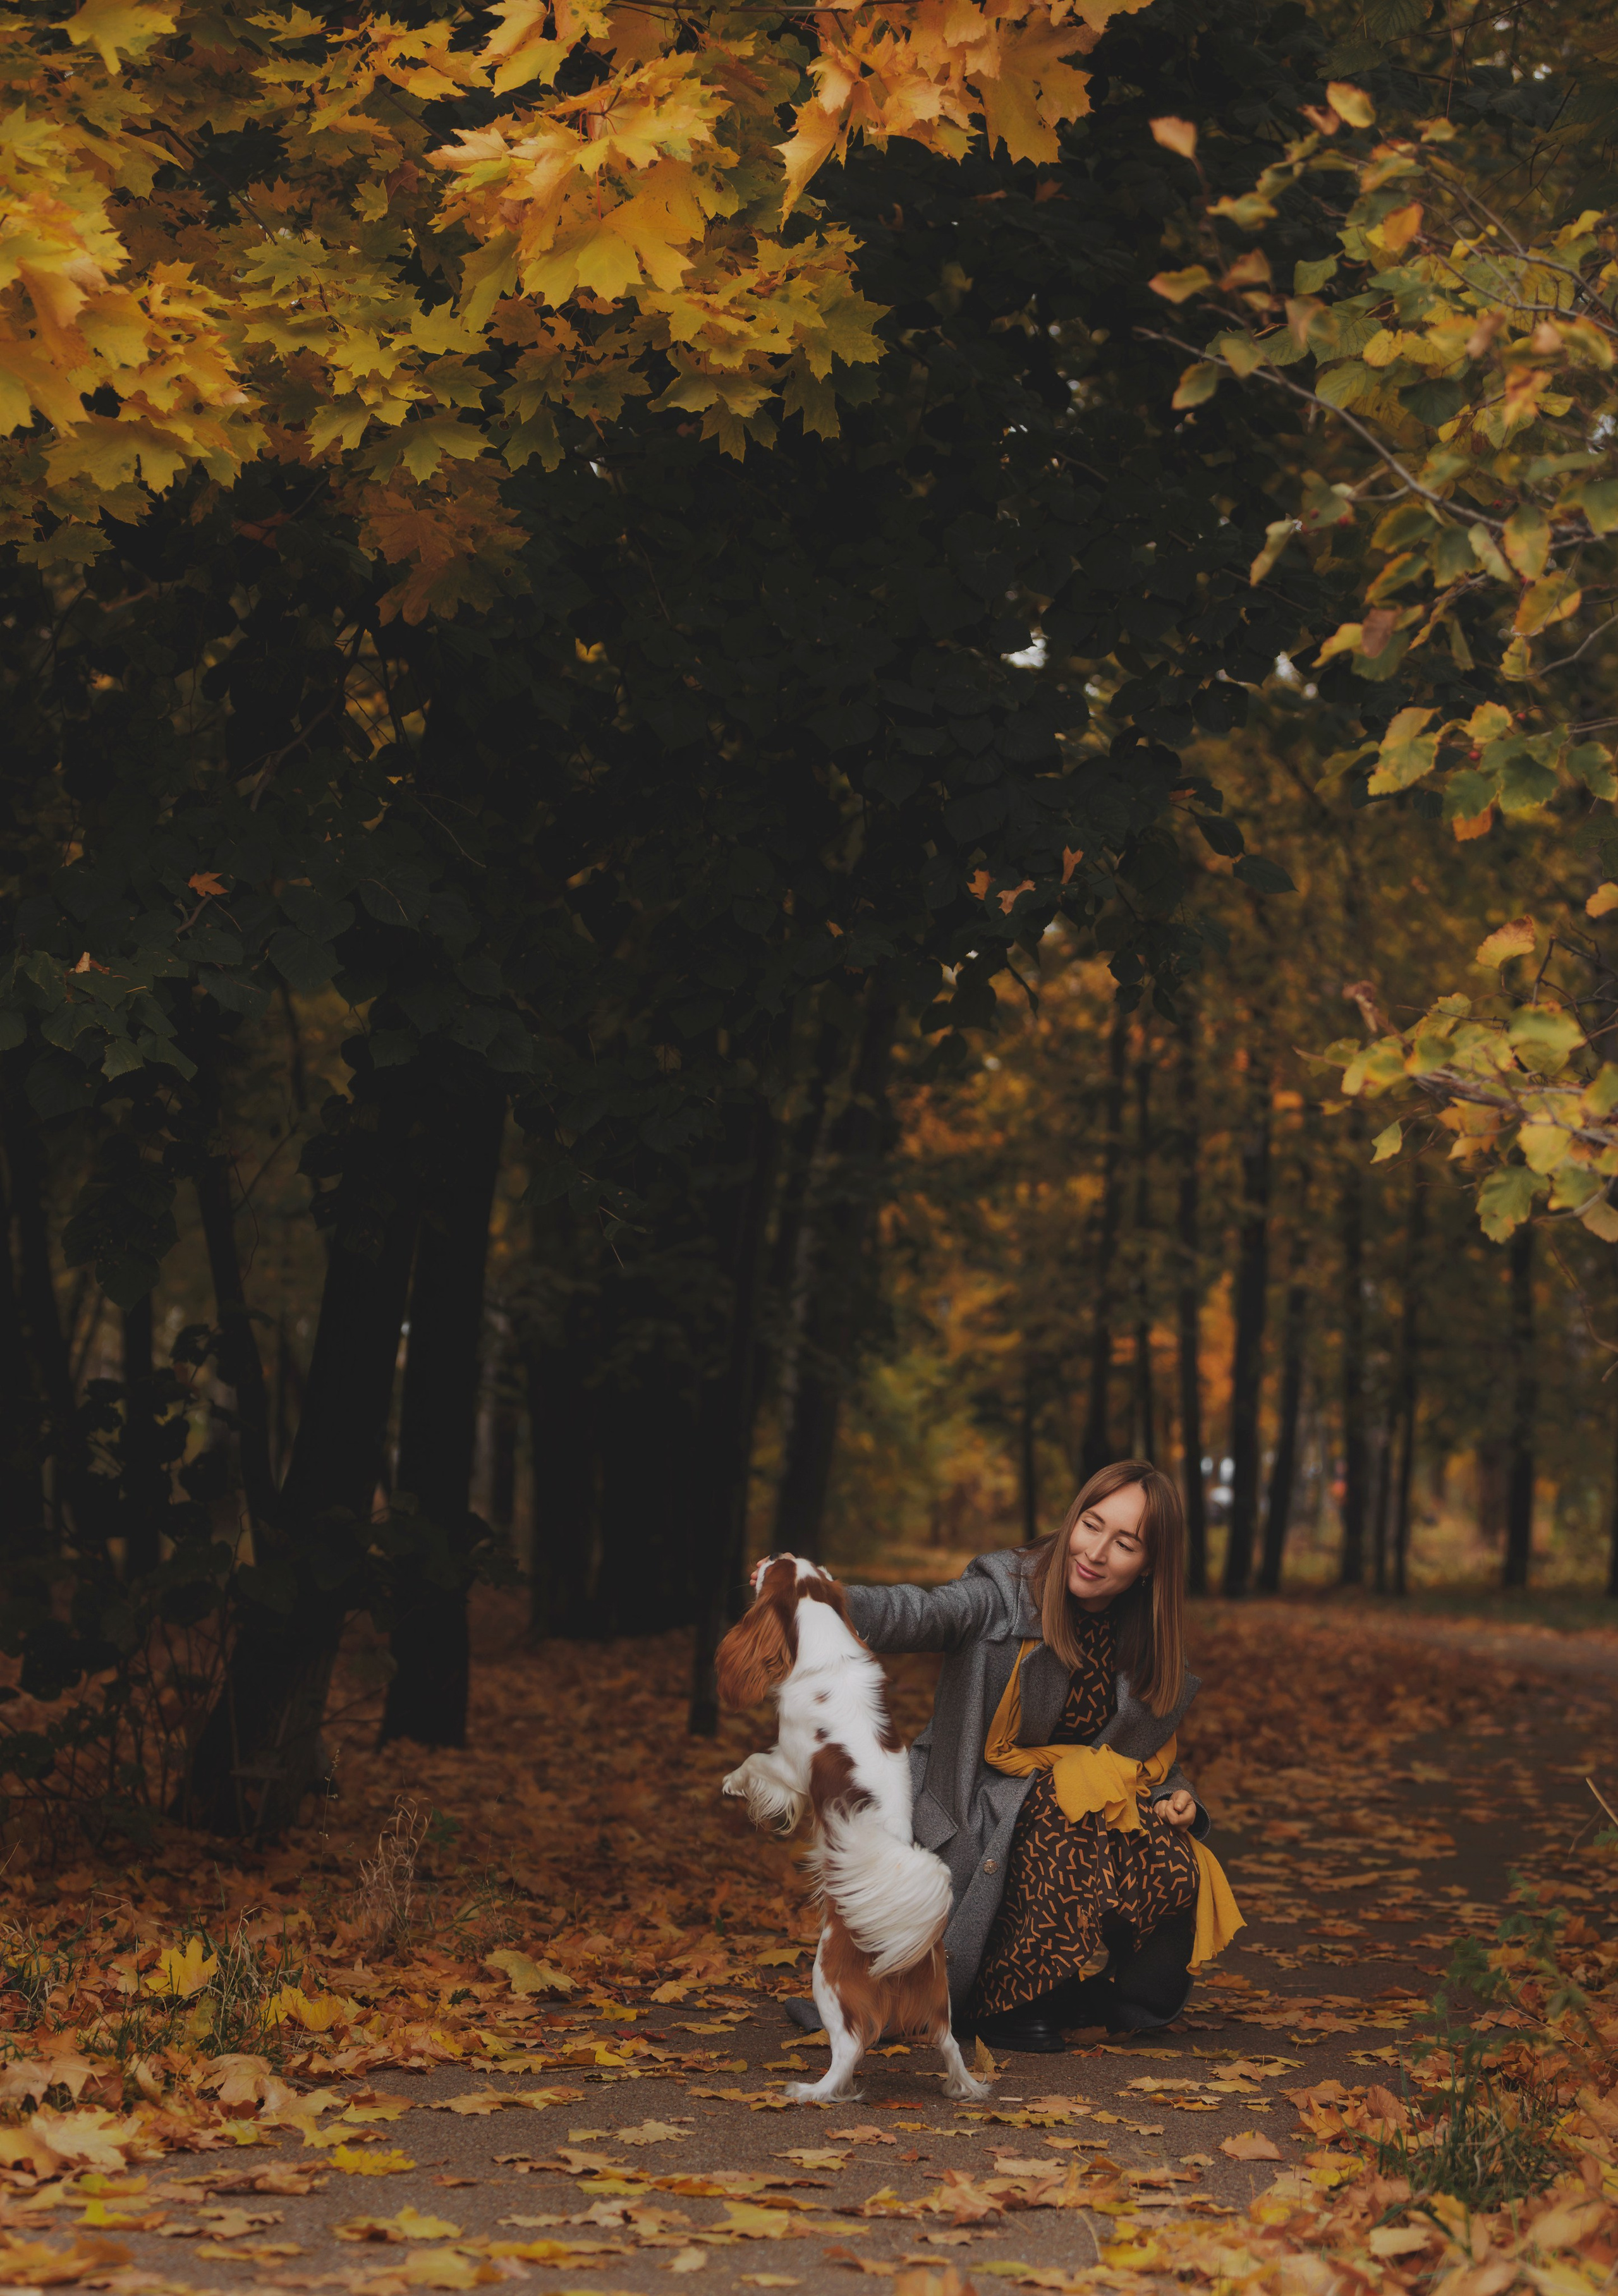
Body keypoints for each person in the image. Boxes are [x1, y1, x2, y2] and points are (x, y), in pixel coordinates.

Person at [822, 1459, 1239, 2054]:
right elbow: (922, 1611)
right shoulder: (1003, 1593)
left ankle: (1095, 1993)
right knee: (1061, 1798)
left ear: (1149, 1566)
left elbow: (1133, 1760)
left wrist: (1183, 1801)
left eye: (1124, 1543)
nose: (1095, 1551)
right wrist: (824, 1596)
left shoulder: (1141, 1636)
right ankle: (1013, 2001)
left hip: (1067, 1810)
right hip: (975, 1806)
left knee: (1171, 1855)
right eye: (1090, 1525)